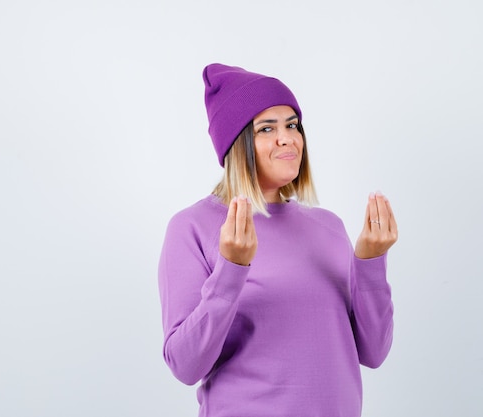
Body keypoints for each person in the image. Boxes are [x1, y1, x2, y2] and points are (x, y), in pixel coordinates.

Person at [157, 63, 398, 417]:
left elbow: (373, 353)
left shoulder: (328, 227)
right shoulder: (192, 227)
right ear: (237, 145)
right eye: (266, 128)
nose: (287, 138)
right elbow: (185, 365)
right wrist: (231, 270)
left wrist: (371, 262)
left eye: (292, 125)